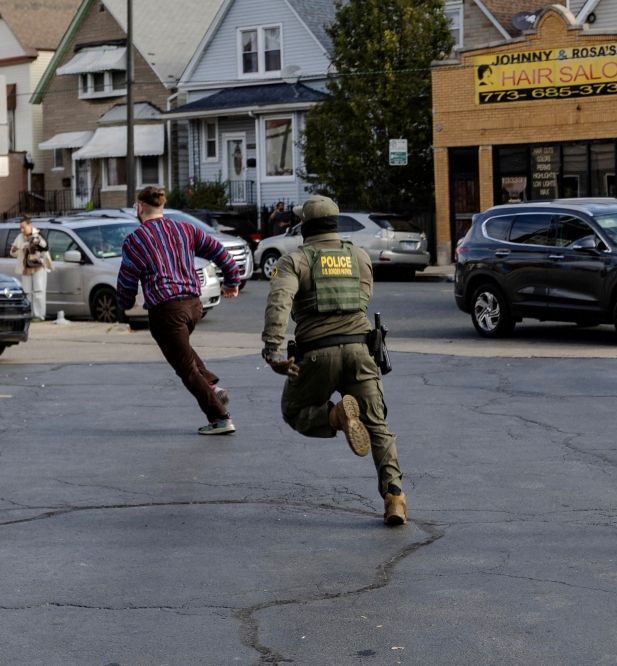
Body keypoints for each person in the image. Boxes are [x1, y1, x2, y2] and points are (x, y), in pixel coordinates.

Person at [261, 195, 407, 526]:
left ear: (304, 227)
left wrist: (272, 351)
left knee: (294, 411)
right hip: (360, 351)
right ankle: (394, 497)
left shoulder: (294, 261)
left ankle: (335, 417)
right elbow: (364, 298)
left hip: (316, 354)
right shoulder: (358, 256)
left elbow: (279, 303)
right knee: (378, 426)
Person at [116, 186, 242, 435]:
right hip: (194, 305)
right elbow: (219, 251)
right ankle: (212, 387)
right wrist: (232, 281)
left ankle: (220, 418)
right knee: (183, 350)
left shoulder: (136, 240)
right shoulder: (185, 229)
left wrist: (125, 303)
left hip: (166, 311)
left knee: (185, 368)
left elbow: (127, 281)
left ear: (140, 208)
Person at [10, 216, 53, 320]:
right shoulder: (19, 237)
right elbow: (12, 252)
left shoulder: (38, 234)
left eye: (23, 227)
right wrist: (20, 249)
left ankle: (39, 315)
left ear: (30, 225)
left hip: (39, 267)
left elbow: (45, 246)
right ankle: (29, 314)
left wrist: (37, 242)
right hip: (26, 267)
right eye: (20, 227)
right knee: (27, 292)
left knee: (39, 291)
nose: (22, 230)